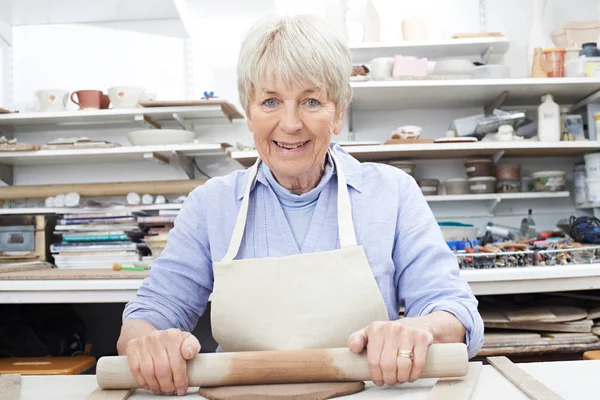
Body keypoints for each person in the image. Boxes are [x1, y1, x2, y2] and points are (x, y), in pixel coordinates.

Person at [117, 14, 484, 396]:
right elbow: (151, 313)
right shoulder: (211, 206)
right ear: (249, 110)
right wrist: (148, 341)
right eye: (270, 101)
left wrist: (420, 330)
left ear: (339, 112)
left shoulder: (392, 194)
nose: (290, 123)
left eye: (311, 101)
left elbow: (454, 311)